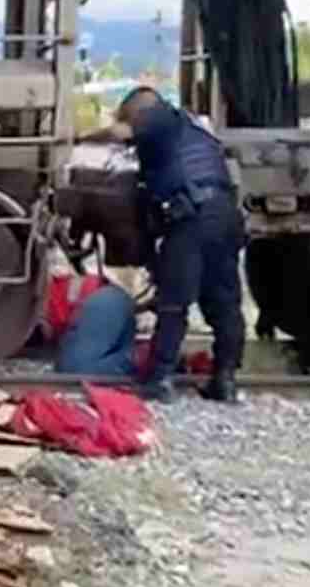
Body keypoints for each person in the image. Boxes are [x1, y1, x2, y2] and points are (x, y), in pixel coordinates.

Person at [81, 86, 245, 403]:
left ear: (136, 112)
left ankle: (160, 378)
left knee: (174, 302)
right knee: (224, 302)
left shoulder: (158, 118)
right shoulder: (196, 130)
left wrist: (80, 140)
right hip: (225, 215)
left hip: (191, 218)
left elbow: (120, 133)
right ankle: (225, 379)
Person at [41, 270, 139, 377]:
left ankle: (141, 359)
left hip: (102, 301)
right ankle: (140, 359)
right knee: (73, 372)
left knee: (75, 372)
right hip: (101, 301)